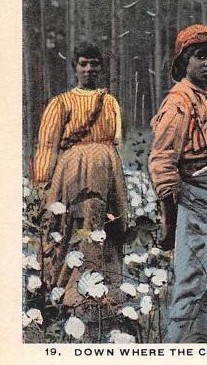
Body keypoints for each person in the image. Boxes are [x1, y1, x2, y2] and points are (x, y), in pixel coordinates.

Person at [32, 42, 127, 341]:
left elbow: (116, 141)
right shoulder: (60, 103)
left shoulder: (109, 102)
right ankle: (67, 294)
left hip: (106, 172)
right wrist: (42, 184)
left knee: (102, 228)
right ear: (74, 67)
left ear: (101, 67)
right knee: (69, 228)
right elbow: (47, 145)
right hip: (70, 174)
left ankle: (103, 295)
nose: (89, 69)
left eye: (95, 64)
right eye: (83, 63)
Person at [148, 24, 207, 343]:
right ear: (184, 61)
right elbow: (162, 159)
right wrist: (169, 213)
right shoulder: (179, 102)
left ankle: (197, 338)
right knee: (191, 274)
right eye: (201, 56)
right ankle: (177, 343)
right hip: (193, 196)